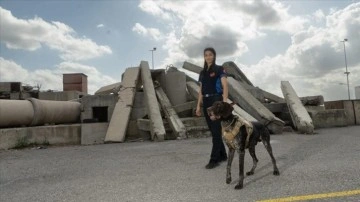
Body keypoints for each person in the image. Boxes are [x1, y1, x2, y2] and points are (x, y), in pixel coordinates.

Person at [196, 47, 228, 169]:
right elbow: (200, 90)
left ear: (214, 56)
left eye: (210, 54)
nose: (208, 57)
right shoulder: (202, 72)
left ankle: (214, 159)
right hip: (206, 100)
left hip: (216, 101)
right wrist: (198, 105)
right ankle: (223, 155)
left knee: (215, 131)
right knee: (213, 130)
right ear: (204, 57)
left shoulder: (220, 69)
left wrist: (224, 103)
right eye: (206, 55)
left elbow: (225, 85)